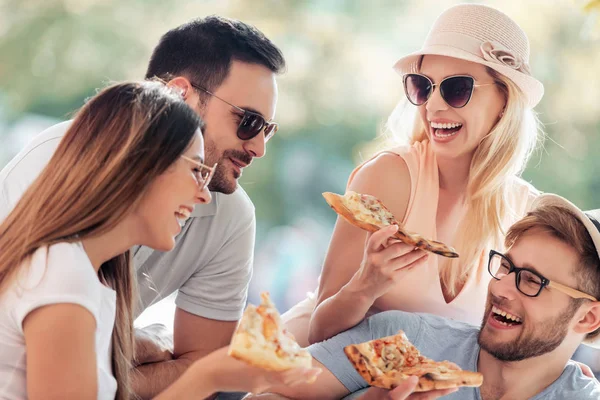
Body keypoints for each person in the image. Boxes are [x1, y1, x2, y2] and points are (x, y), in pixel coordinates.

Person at [0, 15, 285, 398]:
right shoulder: (65, 276)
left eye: (267, 129)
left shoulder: (92, 274)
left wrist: (198, 369)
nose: (260, 147)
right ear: (141, 162)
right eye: (249, 121)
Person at [283, 3, 545, 347]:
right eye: (423, 86)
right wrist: (367, 284)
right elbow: (319, 331)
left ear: (504, 101)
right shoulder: (387, 177)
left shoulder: (528, 212)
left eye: (456, 88)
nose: (433, 105)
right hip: (309, 370)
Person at [240, 193, 600, 399]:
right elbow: (264, 394)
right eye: (506, 266)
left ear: (587, 318)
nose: (501, 288)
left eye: (533, 281)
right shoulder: (403, 340)